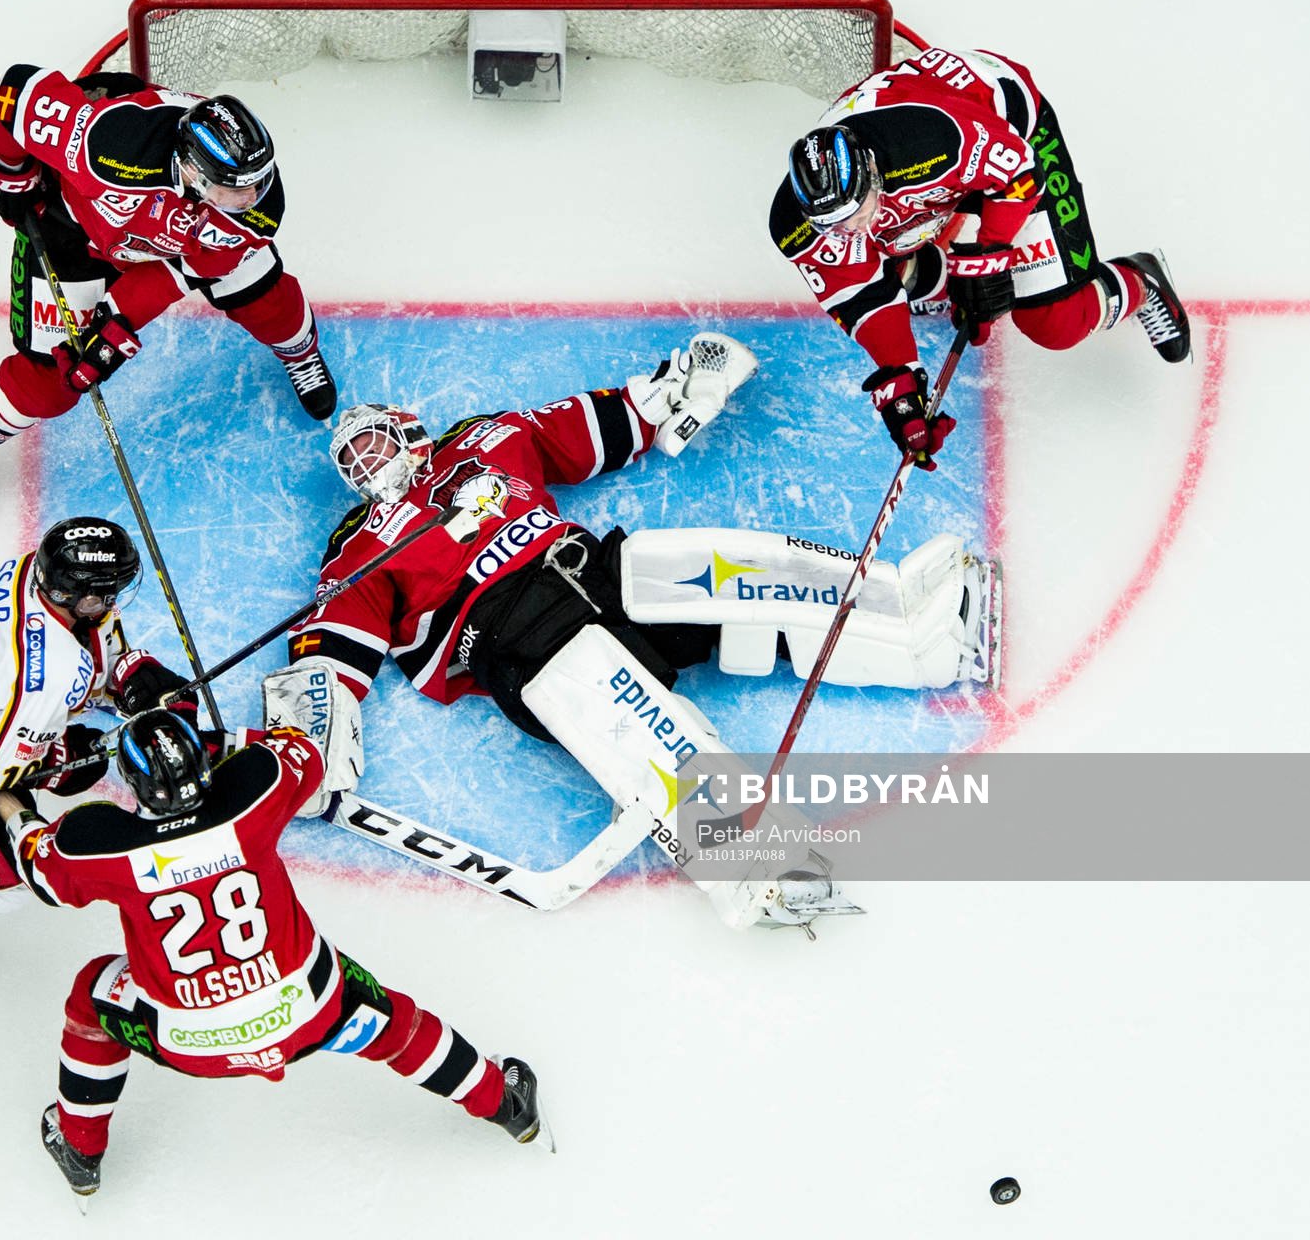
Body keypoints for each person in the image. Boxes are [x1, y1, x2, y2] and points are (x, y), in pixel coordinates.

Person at [270, 333, 999, 932]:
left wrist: (675, 390)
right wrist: (306, 739)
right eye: (353, 461)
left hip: (595, 568)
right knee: (636, 719)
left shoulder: (485, 440)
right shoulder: (361, 547)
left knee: (735, 568)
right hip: (515, 636)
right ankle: (754, 863)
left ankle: (917, 629)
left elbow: (589, 428)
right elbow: (330, 649)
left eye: (373, 442)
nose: (368, 463)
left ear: (407, 426)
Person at [0, 708, 547, 1206]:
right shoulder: (251, 801)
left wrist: (0, 800)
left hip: (191, 1045)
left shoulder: (98, 841)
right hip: (309, 1014)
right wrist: (208, 737)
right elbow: (300, 748)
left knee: (89, 991)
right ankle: (505, 1103)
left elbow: (37, 864)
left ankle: (80, 1147)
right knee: (391, 1023)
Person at [0, 67, 337, 530]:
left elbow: (183, 271)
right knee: (49, 381)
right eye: (236, 189)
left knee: (268, 300)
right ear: (193, 171)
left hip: (164, 250)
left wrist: (113, 324)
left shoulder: (257, 209)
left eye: (258, 181)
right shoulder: (110, 143)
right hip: (71, 234)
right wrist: (7, 172)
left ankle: (300, 353)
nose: (252, 196)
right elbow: (18, 93)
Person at [768, 46, 1191, 471]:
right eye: (834, 224)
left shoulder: (932, 141)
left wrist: (988, 255)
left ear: (873, 173)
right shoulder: (795, 222)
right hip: (942, 162)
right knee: (884, 264)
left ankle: (1140, 279)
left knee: (1055, 323)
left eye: (858, 212)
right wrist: (901, 388)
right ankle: (935, 270)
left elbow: (1021, 175)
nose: (853, 229)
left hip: (1012, 137)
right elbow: (862, 296)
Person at [0, 515, 197, 954]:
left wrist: (128, 676)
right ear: (75, 595)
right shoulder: (48, 675)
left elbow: (79, 641)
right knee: (7, 883)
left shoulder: (30, 572)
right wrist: (62, 760)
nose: (114, 598)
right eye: (107, 590)